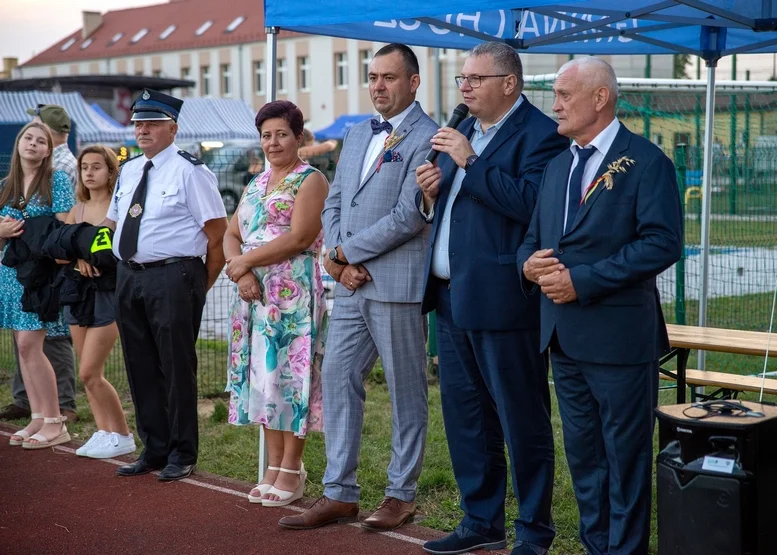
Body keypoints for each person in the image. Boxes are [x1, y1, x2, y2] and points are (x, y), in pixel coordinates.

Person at [516, 57, 683, 555]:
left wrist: (581, 281)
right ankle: (597, 546)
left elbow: (661, 244)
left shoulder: (648, 162)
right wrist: (527, 266)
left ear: (600, 98)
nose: (556, 104)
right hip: (562, 338)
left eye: (565, 94)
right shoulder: (556, 166)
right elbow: (532, 239)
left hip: (619, 342)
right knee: (585, 460)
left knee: (625, 460)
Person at [415, 42, 569, 555]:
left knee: (520, 417)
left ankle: (533, 532)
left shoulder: (543, 136)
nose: (464, 87)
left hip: (505, 301)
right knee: (467, 418)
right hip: (451, 299)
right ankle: (480, 521)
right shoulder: (463, 134)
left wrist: (471, 162)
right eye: (462, 78)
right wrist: (431, 191)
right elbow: (459, 212)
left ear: (510, 83)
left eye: (476, 79)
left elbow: (533, 207)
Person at [278, 43, 437, 532]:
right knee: (339, 380)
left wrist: (349, 254)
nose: (377, 86)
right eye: (372, 77)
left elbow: (410, 214)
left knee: (406, 391)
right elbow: (336, 201)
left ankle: (400, 494)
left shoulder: (430, 136)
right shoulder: (355, 132)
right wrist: (335, 259)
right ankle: (339, 493)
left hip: (396, 285)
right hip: (348, 285)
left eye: (388, 77)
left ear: (413, 83)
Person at [105, 89, 228, 482]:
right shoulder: (127, 170)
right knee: (139, 366)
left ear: (172, 128)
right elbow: (114, 223)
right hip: (130, 275)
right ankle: (153, 448)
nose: (142, 129)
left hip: (174, 276)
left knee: (176, 368)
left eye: (152, 122)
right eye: (138, 122)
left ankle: (182, 452)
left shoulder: (192, 171)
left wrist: (197, 287)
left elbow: (216, 234)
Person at [224, 100, 329, 507]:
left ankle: (293, 468)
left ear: (298, 137)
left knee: (291, 380)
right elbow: (231, 234)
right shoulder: (255, 182)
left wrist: (246, 261)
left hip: (293, 296)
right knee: (265, 381)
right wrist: (243, 270)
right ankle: (273, 466)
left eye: (281, 134)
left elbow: (301, 237)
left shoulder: (310, 180)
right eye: (266, 135)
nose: (273, 142)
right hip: (254, 295)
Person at [0, 104, 78, 424]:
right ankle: (36, 417)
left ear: (49, 150)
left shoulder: (56, 179)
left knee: (34, 345)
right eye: (27, 138)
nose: (32, 143)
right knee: (23, 347)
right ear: (18, 144)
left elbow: (63, 228)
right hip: (11, 274)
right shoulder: (9, 184)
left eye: (40, 140)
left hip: (41, 275)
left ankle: (54, 419)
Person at [65, 146, 136, 459]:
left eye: (97, 167)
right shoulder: (77, 209)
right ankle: (103, 430)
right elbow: (60, 249)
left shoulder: (118, 205)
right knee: (87, 371)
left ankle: (122, 434)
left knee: (89, 372)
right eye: (84, 168)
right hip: (79, 294)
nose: (90, 173)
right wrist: (78, 255)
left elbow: (114, 250)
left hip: (109, 293)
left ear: (110, 171)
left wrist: (83, 251)